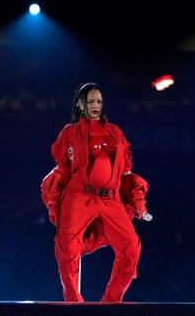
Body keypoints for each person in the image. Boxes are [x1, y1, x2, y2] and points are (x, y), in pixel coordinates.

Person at [41, 82, 150, 302]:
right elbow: (62, 170)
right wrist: (54, 201)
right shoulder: (70, 132)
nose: (96, 106)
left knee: (131, 247)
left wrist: (137, 200)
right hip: (79, 195)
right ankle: (73, 302)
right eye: (91, 101)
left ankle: (111, 301)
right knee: (67, 247)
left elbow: (126, 173)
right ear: (81, 104)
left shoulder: (115, 132)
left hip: (110, 198)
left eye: (99, 101)